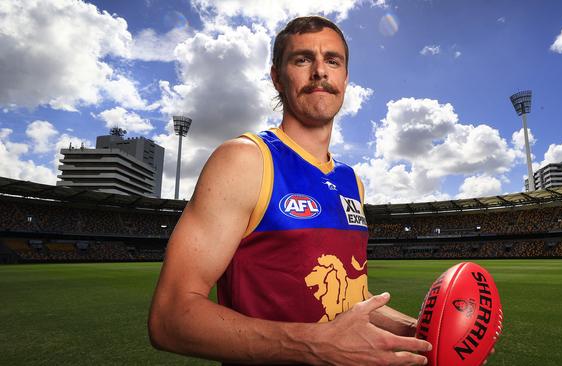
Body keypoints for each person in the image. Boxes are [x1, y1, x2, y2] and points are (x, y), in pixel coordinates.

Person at [148, 16, 432, 365]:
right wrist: (314, 345)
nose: (319, 71)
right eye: (302, 59)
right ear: (277, 78)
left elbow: (347, 296)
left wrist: (425, 332)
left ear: (344, 78)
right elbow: (170, 318)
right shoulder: (245, 160)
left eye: (332, 60)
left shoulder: (351, 181)